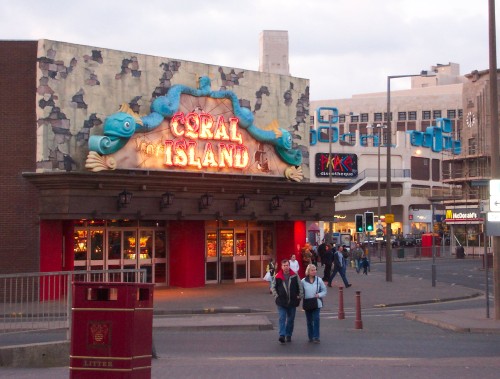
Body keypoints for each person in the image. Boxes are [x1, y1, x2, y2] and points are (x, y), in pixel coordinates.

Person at [271, 259, 303, 344]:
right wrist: (276, 297)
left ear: (289, 266)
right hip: (281, 302)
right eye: (284, 265)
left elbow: (300, 286)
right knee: (282, 318)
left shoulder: (295, 275)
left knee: (290, 320)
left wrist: (299, 296)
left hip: (292, 302)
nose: (286, 267)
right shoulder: (278, 276)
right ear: (281, 266)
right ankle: (282, 335)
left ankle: (288, 334)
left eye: (287, 265)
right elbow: (273, 287)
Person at [301, 264, 327, 343]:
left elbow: (324, 290)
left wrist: (319, 295)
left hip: (317, 302)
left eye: (315, 270)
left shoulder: (319, 280)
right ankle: (310, 336)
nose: (314, 271)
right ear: (308, 271)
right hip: (307, 303)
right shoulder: (303, 281)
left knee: (316, 319)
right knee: (309, 321)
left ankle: (316, 337)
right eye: (312, 270)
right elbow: (300, 292)